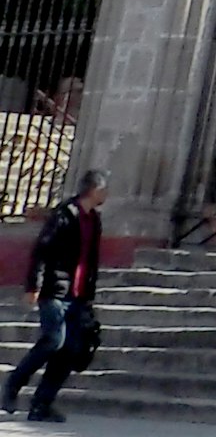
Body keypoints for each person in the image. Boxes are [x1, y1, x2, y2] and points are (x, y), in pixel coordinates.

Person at [3, 175, 101, 426]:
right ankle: (13, 384)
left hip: (78, 296)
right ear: (93, 190)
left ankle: (42, 404)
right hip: (54, 290)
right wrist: (33, 285)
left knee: (69, 352)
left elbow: (90, 261)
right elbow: (42, 250)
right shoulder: (64, 215)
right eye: (104, 189)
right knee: (52, 341)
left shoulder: (94, 220)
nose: (107, 195)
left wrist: (89, 297)